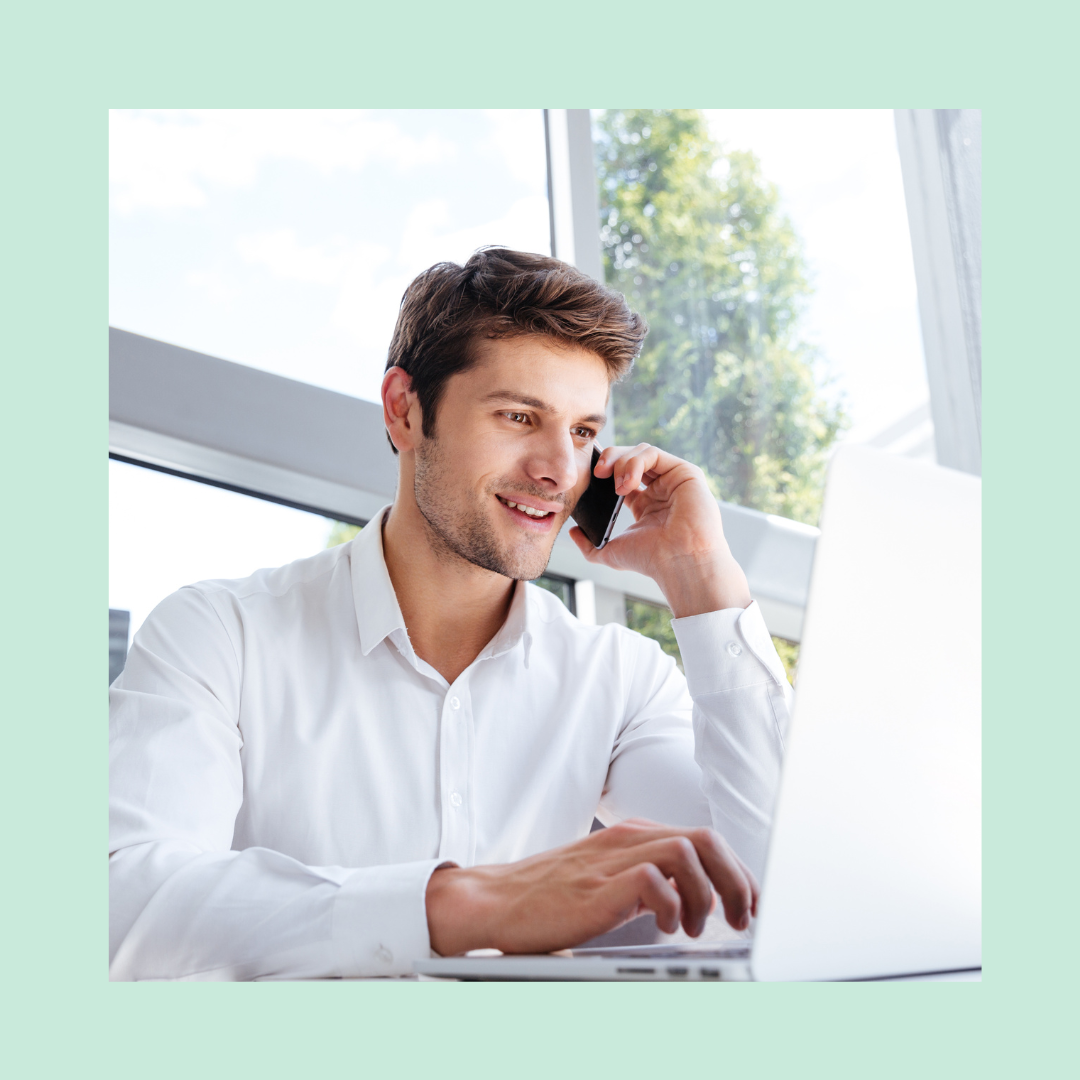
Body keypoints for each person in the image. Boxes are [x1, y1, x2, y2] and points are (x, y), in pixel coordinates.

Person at [109, 248, 792, 981]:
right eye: (519, 416)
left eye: (583, 433)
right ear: (404, 410)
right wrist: (458, 905)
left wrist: (702, 579)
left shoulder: (618, 680)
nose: (558, 470)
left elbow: (774, 890)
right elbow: (124, 906)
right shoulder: (219, 636)